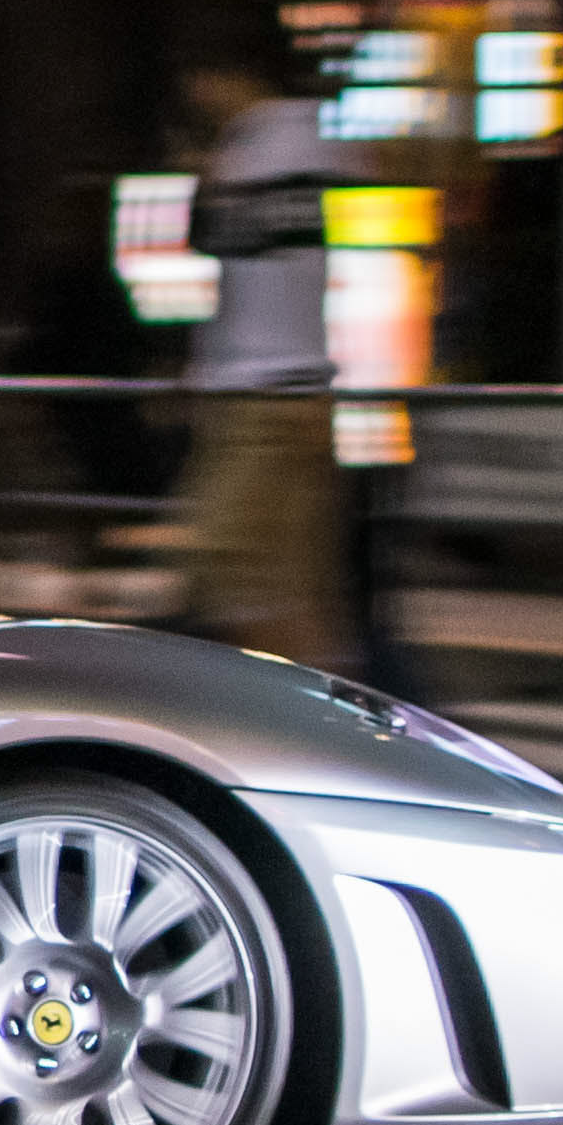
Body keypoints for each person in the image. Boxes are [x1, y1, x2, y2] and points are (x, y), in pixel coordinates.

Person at [172, 42, 364, 670]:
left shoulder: (274, 139)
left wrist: (207, 171)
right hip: (273, 392)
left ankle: (314, 718)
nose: (195, 95)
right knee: (289, 586)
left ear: (228, 74)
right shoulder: (279, 140)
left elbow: (206, 235)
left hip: (270, 396)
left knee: (230, 563)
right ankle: (328, 716)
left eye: (200, 79)